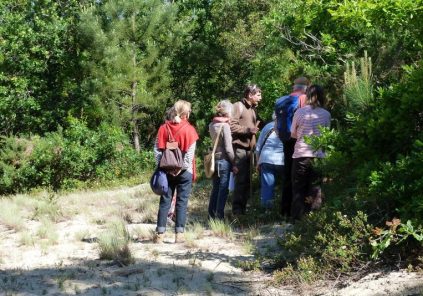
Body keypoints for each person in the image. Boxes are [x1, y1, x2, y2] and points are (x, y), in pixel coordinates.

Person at [153, 100, 199, 243]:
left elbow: (156, 150)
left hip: (166, 171)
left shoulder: (163, 128)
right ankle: (179, 234)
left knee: (165, 200)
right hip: (185, 172)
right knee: (182, 201)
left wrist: (164, 167)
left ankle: (160, 234)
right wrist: (180, 169)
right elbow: (190, 155)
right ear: (186, 113)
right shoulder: (190, 130)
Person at [290, 84, 331, 220]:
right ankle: (313, 219)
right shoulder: (326, 114)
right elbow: (327, 135)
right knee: (315, 188)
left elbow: (293, 134)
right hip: (318, 155)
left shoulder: (299, 112)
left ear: (307, 96)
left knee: (298, 188)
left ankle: (297, 219)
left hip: (301, 154)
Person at [278, 76, 310, 218]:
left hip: (286, 140)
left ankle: (284, 210)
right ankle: (299, 212)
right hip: (298, 140)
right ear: (306, 88)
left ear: (294, 86)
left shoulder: (281, 100)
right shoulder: (303, 99)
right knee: (299, 176)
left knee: (287, 174)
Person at [230, 84, 263, 215]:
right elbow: (232, 126)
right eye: (258, 94)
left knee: (247, 181)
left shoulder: (253, 109)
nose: (260, 97)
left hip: (250, 150)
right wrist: (249, 130)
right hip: (240, 148)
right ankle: (237, 211)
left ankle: (243, 210)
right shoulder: (238, 106)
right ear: (250, 95)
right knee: (241, 180)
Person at [208, 100, 237, 220]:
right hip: (224, 160)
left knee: (215, 188)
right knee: (223, 189)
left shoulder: (212, 124)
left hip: (215, 160)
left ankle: (211, 216)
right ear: (228, 112)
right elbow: (229, 148)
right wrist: (234, 163)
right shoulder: (225, 126)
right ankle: (219, 217)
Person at [255, 113, 284, 209]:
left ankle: (267, 211)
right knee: (287, 185)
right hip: (283, 160)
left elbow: (258, 147)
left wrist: (257, 162)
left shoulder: (267, 126)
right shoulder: (288, 125)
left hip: (266, 159)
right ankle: (284, 209)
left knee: (267, 187)